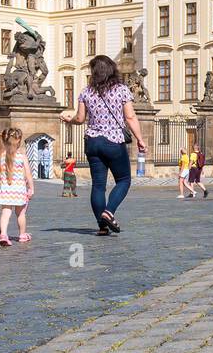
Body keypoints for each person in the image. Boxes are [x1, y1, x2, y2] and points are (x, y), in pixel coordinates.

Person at [59, 54, 147, 234]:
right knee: (123, 180)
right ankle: (108, 212)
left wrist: (70, 120)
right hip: (114, 142)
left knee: (98, 185)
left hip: (92, 142)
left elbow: (80, 118)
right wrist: (140, 139)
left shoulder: (86, 92)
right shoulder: (122, 90)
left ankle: (102, 226)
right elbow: (130, 117)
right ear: (112, 70)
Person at [0, 125, 35, 245]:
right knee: (20, 213)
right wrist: (31, 188)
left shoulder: (1, 156)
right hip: (19, 190)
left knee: (5, 213)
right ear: (19, 141)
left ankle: (3, 235)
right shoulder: (22, 157)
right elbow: (28, 174)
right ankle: (22, 235)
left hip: (5, 189)